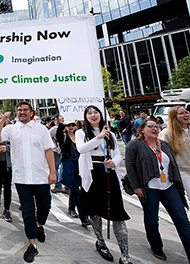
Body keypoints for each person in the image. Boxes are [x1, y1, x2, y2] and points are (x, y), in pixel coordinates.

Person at [0, 101, 56, 263]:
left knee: (45, 206)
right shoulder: (11, 129)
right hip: (21, 178)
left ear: (31, 112)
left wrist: (53, 173)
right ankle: (32, 244)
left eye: (25, 110)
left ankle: (40, 224)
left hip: (40, 177)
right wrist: (2, 120)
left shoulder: (41, 129)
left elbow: (48, 151)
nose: (22, 112)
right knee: (27, 211)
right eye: (19, 110)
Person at [126, 119, 190, 262]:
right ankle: (156, 245)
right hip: (149, 188)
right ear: (142, 130)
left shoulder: (164, 145)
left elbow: (172, 165)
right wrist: (136, 187)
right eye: (150, 126)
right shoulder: (135, 145)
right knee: (152, 218)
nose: (155, 129)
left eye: (156, 127)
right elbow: (130, 167)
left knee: (182, 220)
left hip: (169, 186)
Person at [76, 105, 132, 264]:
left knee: (117, 213)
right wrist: (99, 137)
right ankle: (100, 241)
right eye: (89, 113)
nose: (93, 115)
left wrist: (113, 163)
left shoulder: (110, 133)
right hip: (91, 174)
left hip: (108, 174)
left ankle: (125, 255)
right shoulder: (81, 133)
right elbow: (81, 149)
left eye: (96, 113)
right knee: (94, 211)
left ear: (101, 115)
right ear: (85, 117)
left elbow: (118, 154)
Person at [159, 106, 190, 226]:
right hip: (183, 170)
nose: (185, 115)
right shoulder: (167, 133)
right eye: (181, 113)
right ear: (174, 117)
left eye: (186, 112)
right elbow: (162, 154)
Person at [56, 120, 90, 226]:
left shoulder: (79, 136)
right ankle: (83, 217)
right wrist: (61, 124)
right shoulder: (64, 137)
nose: (71, 127)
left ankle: (71, 208)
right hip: (69, 164)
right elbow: (58, 135)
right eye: (68, 125)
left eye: (73, 125)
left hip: (80, 164)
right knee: (75, 188)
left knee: (78, 189)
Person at [49, 114, 69, 194]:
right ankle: (66, 186)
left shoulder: (53, 129)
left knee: (55, 168)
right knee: (63, 168)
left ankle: (58, 185)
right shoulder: (68, 129)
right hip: (64, 151)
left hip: (55, 150)